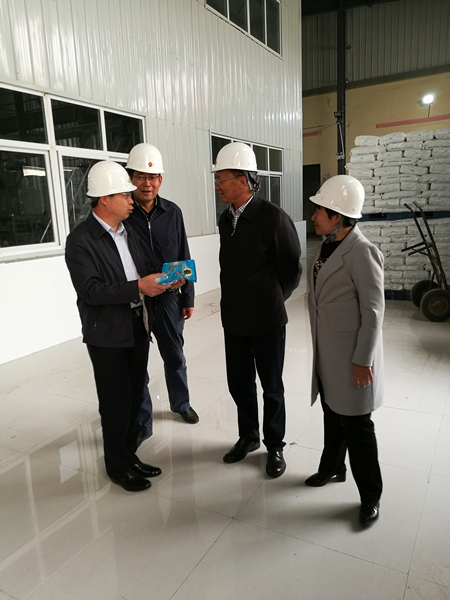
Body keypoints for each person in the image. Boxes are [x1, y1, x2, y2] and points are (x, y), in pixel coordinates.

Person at [65, 161, 178, 492]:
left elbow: (143, 269)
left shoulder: (128, 231)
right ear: (104, 199)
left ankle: (129, 455)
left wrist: (165, 279)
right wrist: (138, 287)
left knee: (134, 397)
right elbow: (90, 290)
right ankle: (117, 466)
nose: (133, 199)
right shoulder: (81, 240)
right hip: (107, 334)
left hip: (137, 325)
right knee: (115, 404)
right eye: (125, 195)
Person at [214, 142, 302, 478]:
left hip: (267, 322)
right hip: (234, 320)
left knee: (272, 387)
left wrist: (272, 299)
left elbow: (291, 270)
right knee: (239, 384)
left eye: (222, 178)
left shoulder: (273, 218)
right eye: (217, 179)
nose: (218, 185)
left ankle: (275, 446)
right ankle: (248, 436)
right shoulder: (226, 220)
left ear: (244, 181)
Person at [306, 174, 384, 525]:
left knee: (358, 428)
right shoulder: (326, 247)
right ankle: (332, 467)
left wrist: (362, 360)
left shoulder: (362, 251)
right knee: (332, 414)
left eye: (319, 211)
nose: (313, 216)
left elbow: (373, 311)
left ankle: (370, 496)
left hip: (352, 357)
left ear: (338, 215)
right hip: (328, 354)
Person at [125, 143, 199, 447]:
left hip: (169, 300)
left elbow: (184, 254)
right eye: (141, 177)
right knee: (136, 364)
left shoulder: (172, 212)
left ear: (160, 180)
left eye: (153, 177)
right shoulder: (123, 213)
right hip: (135, 302)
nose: (147, 183)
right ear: (131, 178)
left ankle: (181, 403)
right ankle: (142, 422)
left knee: (175, 356)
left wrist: (188, 297)